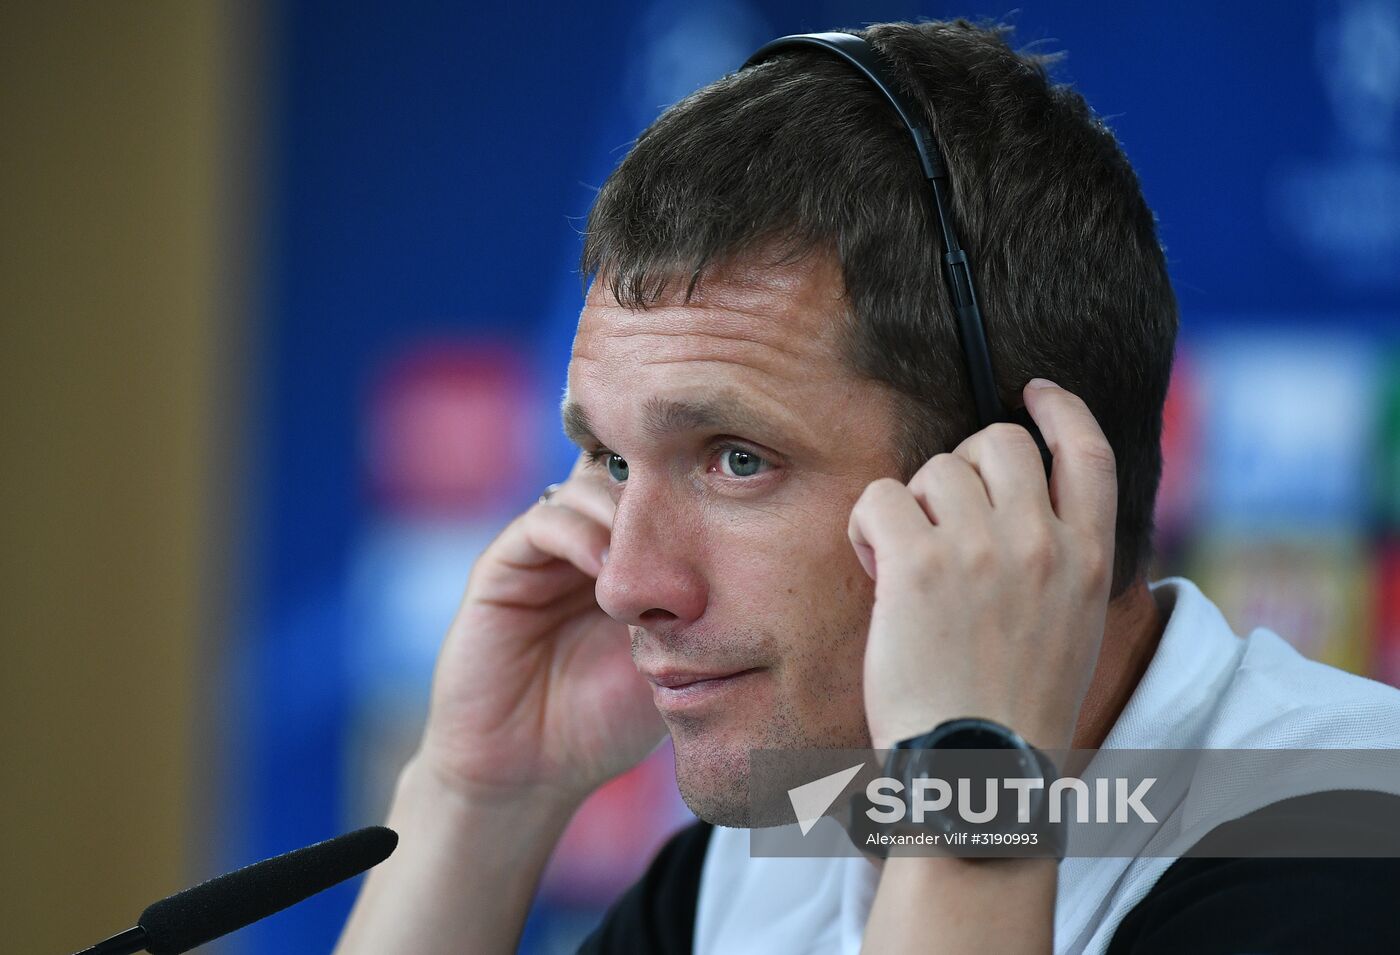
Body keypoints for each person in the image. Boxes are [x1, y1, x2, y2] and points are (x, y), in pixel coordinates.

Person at [334, 19, 1400, 954]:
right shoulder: (776, 849)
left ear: (1011, 484)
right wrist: (474, 801)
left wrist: (969, 776)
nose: (622, 582)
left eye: (734, 458)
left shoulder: (1348, 831)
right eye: (611, 461)